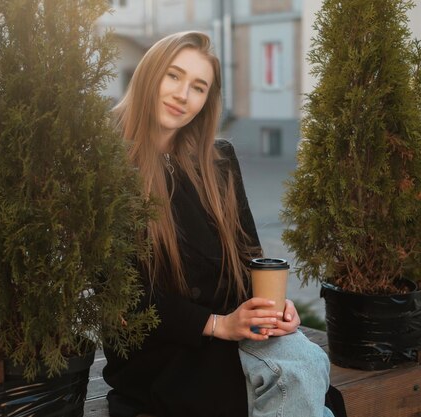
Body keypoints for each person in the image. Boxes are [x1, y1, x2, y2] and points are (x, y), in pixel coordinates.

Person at [103, 31, 335, 417]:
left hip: (234, 329)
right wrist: (216, 325)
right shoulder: (106, 165)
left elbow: (250, 258)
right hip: (163, 348)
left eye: (198, 87)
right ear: (148, 75)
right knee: (301, 380)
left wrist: (273, 308)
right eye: (173, 76)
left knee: (309, 362)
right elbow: (121, 295)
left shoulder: (219, 161)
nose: (182, 95)